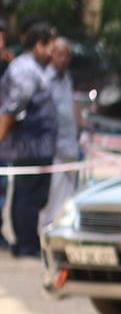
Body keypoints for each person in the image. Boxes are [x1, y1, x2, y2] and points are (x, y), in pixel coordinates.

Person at [0, 22, 60, 258]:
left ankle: (28, 240)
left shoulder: (37, 68)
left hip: (40, 147)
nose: (52, 52)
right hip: (29, 147)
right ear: (38, 45)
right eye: (50, 47)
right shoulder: (25, 69)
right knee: (27, 195)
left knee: (34, 195)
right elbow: (12, 109)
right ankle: (26, 244)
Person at [39, 37, 82, 238]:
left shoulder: (67, 78)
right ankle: (48, 229)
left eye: (66, 55)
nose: (62, 59)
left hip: (70, 144)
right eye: (59, 54)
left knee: (69, 192)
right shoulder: (45, 79)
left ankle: (63, 228)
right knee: (53, 192)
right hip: (54, 147)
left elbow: (71, 105)